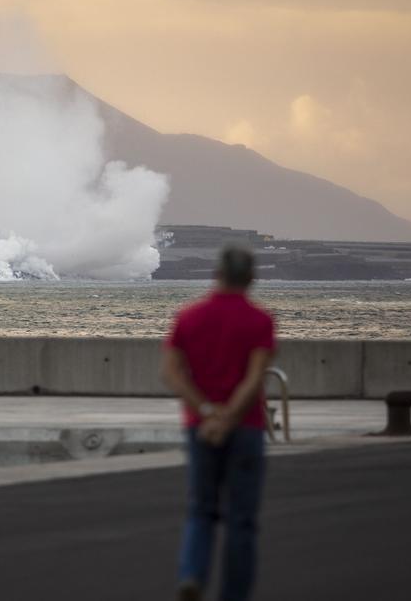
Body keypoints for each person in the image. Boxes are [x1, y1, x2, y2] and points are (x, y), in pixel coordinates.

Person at [162, 246, 275, 601]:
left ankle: (192, 575)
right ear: (251, 278)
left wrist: (208, 413)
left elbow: (172, 374)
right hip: (247, 428)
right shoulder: (260, 321)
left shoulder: (188, 317)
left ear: (217, 274)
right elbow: (255, 378)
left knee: (200, 510)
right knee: (241, 520)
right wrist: (228, 417)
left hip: (200, 427)